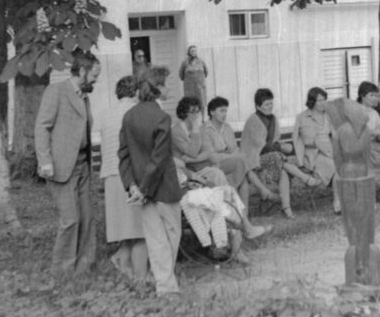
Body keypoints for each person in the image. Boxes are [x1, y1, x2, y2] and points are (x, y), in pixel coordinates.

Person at [118, 66, 183, 298]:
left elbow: (123, 155)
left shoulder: (128, 116)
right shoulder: (162, 118)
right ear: (157, 88)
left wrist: (133, 186)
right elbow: (159, 159)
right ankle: (166, 285)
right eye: (167, 83)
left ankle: (164, 285)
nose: (170, 87)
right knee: (172, 236)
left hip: (141, 190)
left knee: (155, 239)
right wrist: (144, 189)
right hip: (164, 188)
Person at [35, 52, 101, 275]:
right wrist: (45, 161)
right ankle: (62, 271)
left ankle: (84, 266)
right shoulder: (56, 91)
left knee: (87, 218)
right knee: (71, 219)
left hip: (83, 166)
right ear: (82, 71)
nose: (96, 80)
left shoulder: (84, 96)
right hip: (62, 167)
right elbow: (42, 127)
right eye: (94, 75)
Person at [174, 96, 270, 240]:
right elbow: (194, 152)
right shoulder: (179, 131)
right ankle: (244, 225)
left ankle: (243, 223)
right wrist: (195, 137)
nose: (196, 115)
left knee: (239, 176)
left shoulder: (203, 128)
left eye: (197, 112)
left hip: (207, 167)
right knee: (226, 178)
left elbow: (207, 152)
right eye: (192, 112)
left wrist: (193, 156)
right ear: (183, 113)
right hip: (192, 173)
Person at [99, 75, 148, 283]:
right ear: (136, 92)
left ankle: (122, 259)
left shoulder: (107, 113)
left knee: (128, 227)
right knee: (142, 230)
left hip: (110, 175)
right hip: (130, 176)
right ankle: (140, 278)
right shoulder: (136, 112)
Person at [240, 87, 316, 218]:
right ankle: (305, 178)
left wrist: (280, 146)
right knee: (277, 156)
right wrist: (281, 147)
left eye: (271, 103)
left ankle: (287, 209)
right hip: (253, 162)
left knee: (283, 171)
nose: (270, 107)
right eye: (266, 104)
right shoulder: (253, 120)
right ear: (258, 106)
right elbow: (262, 147)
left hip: (270, 160)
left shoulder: (273, 119)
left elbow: (274, 141)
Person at [292, 87, 341, 214]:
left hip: (330, 150)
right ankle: (337, 202)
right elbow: (301, 140)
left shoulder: (328, 116)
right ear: (312, 101)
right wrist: (300, 162)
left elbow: (335, 136)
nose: (323, 103)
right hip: (313, 154)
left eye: (325, 100)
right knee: (336, 167)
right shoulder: (302, 117)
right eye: (320, 100)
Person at [201, 96, 252, 207]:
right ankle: (240, 210)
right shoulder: (205, 129)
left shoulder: (227, 128)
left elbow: (235, 149)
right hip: (214, 166)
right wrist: (229, 155)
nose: (225, 114)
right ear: (212, 112)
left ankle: (243, 213)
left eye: (226, 111)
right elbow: (211, 156)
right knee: (241, 163)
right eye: (221, 111)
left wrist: (229, 154)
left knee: (243, 179)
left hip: (232, 164)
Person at [178, 44, 209, 117]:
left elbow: (206, 72)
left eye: (195, 51)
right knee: (190, 103)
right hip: (189, 87)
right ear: (189, 52)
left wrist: (200, 79)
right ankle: (191, 118)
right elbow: (181, 74)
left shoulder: (201, 61)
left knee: (201, 102)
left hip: (200, 86)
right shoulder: (185, 62)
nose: (194, 52)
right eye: (192, 51)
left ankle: (203, 118)